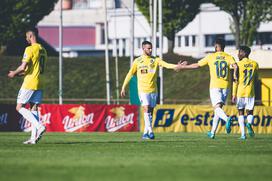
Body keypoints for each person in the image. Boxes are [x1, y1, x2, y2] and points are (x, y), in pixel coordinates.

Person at [176, 38, 238, 139]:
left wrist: (184, 67)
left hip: (215, 85)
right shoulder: (228, 57)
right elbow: (235, 66)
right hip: (226, 86)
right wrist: (235, 75)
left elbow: (197, 65)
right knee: (218, 109)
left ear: (217, 46)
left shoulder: (211, 56)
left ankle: (227, 119)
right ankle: (212, 132)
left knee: (217, 108)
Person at [121, 41, 180, 140]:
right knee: (146, 108)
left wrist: (176, 66)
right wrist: (123, 87)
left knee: (150, 112)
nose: (150, 50)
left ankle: (145, 133)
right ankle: (151, 131)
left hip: (153, 90)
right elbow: (130, 74)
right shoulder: (138, 61)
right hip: (143, 90)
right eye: (148, 48)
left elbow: (166, 65)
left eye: (151, 48)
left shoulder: (155, 60)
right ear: (143, 48)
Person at [8, 27, 47, 144]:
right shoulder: (43, 50)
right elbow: (30, 69)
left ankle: (39, 126)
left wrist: (13, 73)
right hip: (40, 82)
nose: (26, 40)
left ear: (31, 36)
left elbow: (23, 66)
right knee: (34, 108)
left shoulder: (29, 49)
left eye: (27, 37)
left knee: (19, 107)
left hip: (30, 82)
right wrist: (18, 75)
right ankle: (33, 139)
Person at [232, 46, 258, 140]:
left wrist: (233, 94)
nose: (238, 54)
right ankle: (249, 124)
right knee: (250, 112)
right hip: (250, 92)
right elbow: (256, 78)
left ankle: (243, 135)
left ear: (244, 53)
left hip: (240, 92)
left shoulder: (238, 65)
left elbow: (235, 80)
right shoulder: (255, 64)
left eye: (239, 52)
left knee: (240, 112)